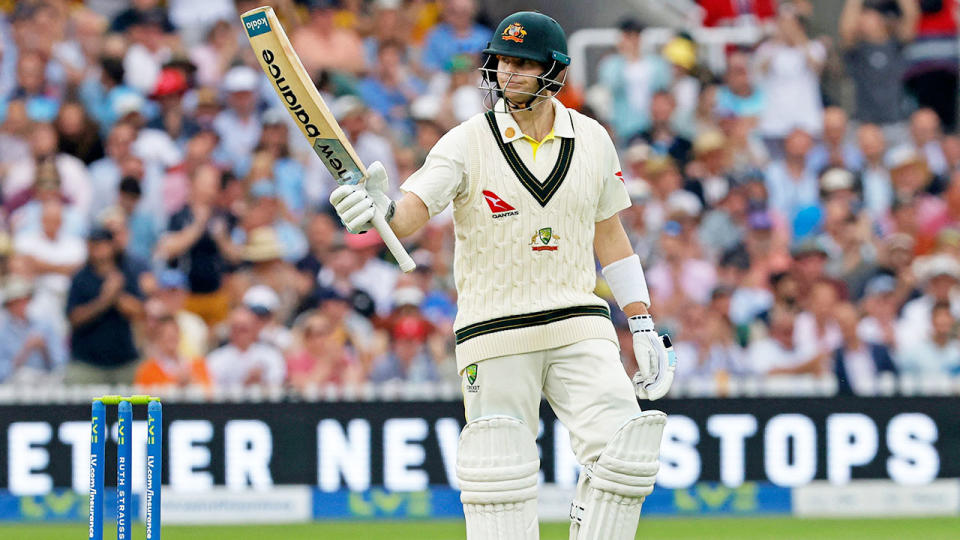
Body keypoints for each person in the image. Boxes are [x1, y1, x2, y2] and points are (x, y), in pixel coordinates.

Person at [329, 11, 674, 540]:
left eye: (521, 63)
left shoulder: (593, 138)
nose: (506, 73)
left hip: (578, 320)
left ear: (553, 70)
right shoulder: (464, 141)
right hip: (495, 327)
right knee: (500, 483)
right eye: (502, 62)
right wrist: (380, 211)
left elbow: (610, 234)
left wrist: (642, 321)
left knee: (626, 452)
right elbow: (413, 212)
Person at [64, 227, 144, 384]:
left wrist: (116, 296)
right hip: (88, 363)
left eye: (102, 244)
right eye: (94, 244)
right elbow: (74, 318)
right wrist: (104, 300)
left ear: (111, 246)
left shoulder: (127, 273)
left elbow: (139, 312)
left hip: (123, 361)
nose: (98, 249)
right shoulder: (80, 278)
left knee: (128, 407)